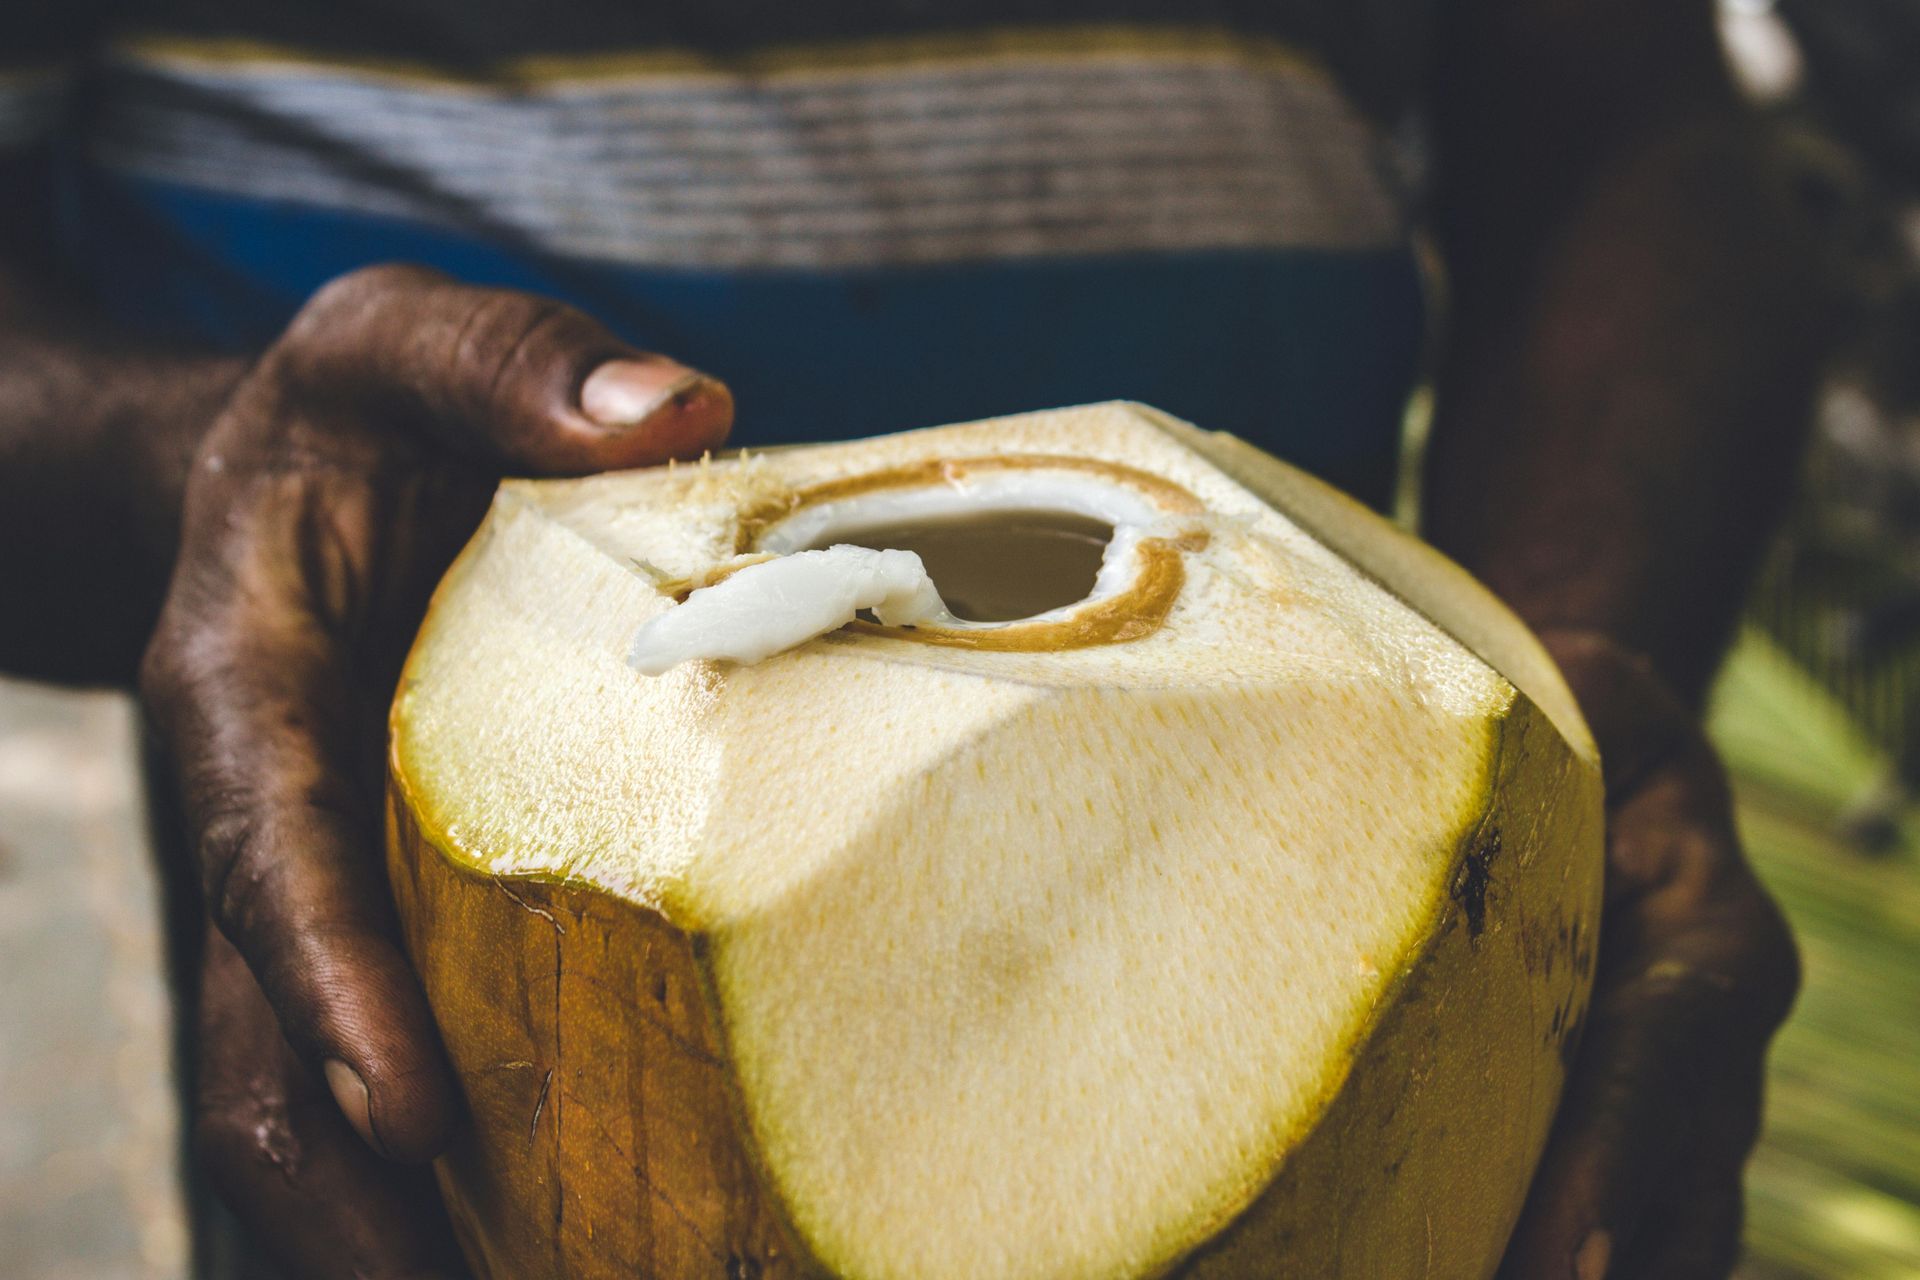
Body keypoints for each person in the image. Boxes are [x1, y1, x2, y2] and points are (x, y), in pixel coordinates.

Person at [0, 0, 1832, 1276]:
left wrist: (1565, 678)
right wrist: (211, 473)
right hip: (446, 911)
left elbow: (1628, 117)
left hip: (1350, 883)